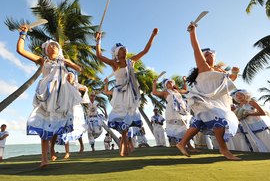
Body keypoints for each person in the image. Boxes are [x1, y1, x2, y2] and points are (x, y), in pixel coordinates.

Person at [17, 25, 83, 167]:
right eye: (50, 46)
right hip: (47, 96)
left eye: (55, 46)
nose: (53, 47)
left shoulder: (63, 62)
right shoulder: (43, 61)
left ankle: (52, 149)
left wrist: (69, 62)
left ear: (59, 50)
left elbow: (80, 70)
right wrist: (23, 34)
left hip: (61, 98)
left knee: (55, 125)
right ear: (46, 49)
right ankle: (44, 158)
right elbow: (20, 50)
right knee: (44, 124)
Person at [176, 23, 241, 160]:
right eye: (206, 53)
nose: (209, 54)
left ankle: (182, 143)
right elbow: (195, 49)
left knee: (199, 123)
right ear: (203, 57)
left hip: (214, 100)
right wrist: (192, 32)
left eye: (211, 53)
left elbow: (230, 82)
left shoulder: (220, 71)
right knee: (219, 120)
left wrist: (234, 72)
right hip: (203, 99)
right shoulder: (203, 66)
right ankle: (224, 149)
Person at [95, 28, 158, 156]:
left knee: (129, 117)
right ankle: (124, 144)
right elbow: (99, 56)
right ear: (117, 53)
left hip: (131, 93)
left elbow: (145, 51)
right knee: (121, 116)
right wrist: (98, 41)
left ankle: (126, 144)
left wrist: (152, 35)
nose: (124, 51)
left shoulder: (131, 62)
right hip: (119, 94)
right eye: (122, 49)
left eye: (125, 49)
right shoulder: (114, 64)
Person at [51, 72, 89, 160]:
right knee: (64, 129)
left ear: (73, 78)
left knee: (76, 128)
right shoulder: (63, 86)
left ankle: (81, 145)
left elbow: (84, 89)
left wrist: (83, 89)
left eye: (71, 76)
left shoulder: (76, 85)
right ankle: (66, 152)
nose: (69, 77)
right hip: (65, 109)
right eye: (68, 76)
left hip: (75, 109)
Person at [152, 76, 196, 150]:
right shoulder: (165, 92)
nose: (170, 82)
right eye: (168, 82)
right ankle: (184, 146)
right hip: (171, 111)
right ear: (166, 85)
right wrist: (154, 83)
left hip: (180, 110)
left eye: (171, 81)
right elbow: (154, 92)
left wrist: (184, 81)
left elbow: (185, 90)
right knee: (176, 127)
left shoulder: (177, 91)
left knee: (184, 126)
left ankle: (187, 145)